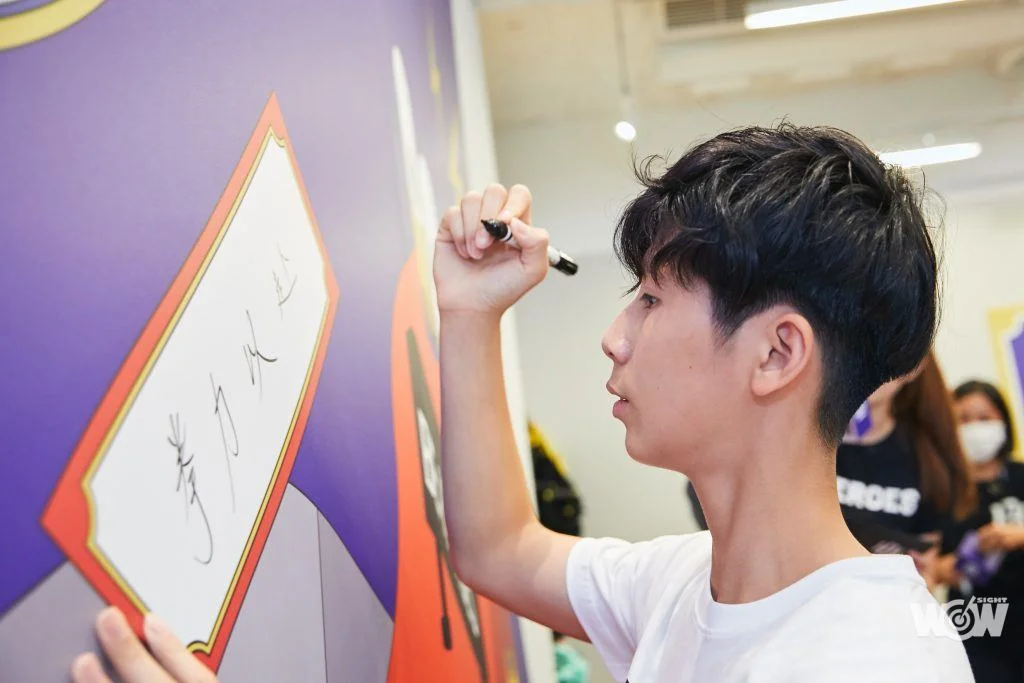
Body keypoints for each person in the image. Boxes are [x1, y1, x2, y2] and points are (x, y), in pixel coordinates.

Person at [71, 124, 973, 681]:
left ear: (776, 353)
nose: (615, 336)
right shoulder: (686, 581)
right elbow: (500, 546)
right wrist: (470, 315)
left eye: (651, 299)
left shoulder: (873, 660)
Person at [836, 351, 976, 582]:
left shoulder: (928, 459)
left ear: (914, 366)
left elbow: (927, 565)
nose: (870, 368)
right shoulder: (812, 438)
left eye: (883, 349)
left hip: (886, 595)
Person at [934, 380, 1024, 683]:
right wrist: (971, 556)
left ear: (1004, 421)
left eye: (984, 418)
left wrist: (1018, 536)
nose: (975, 428)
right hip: (978, 624)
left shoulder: (1020, 477)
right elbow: (931, 568)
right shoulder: (942, 491)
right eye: (964, 419)